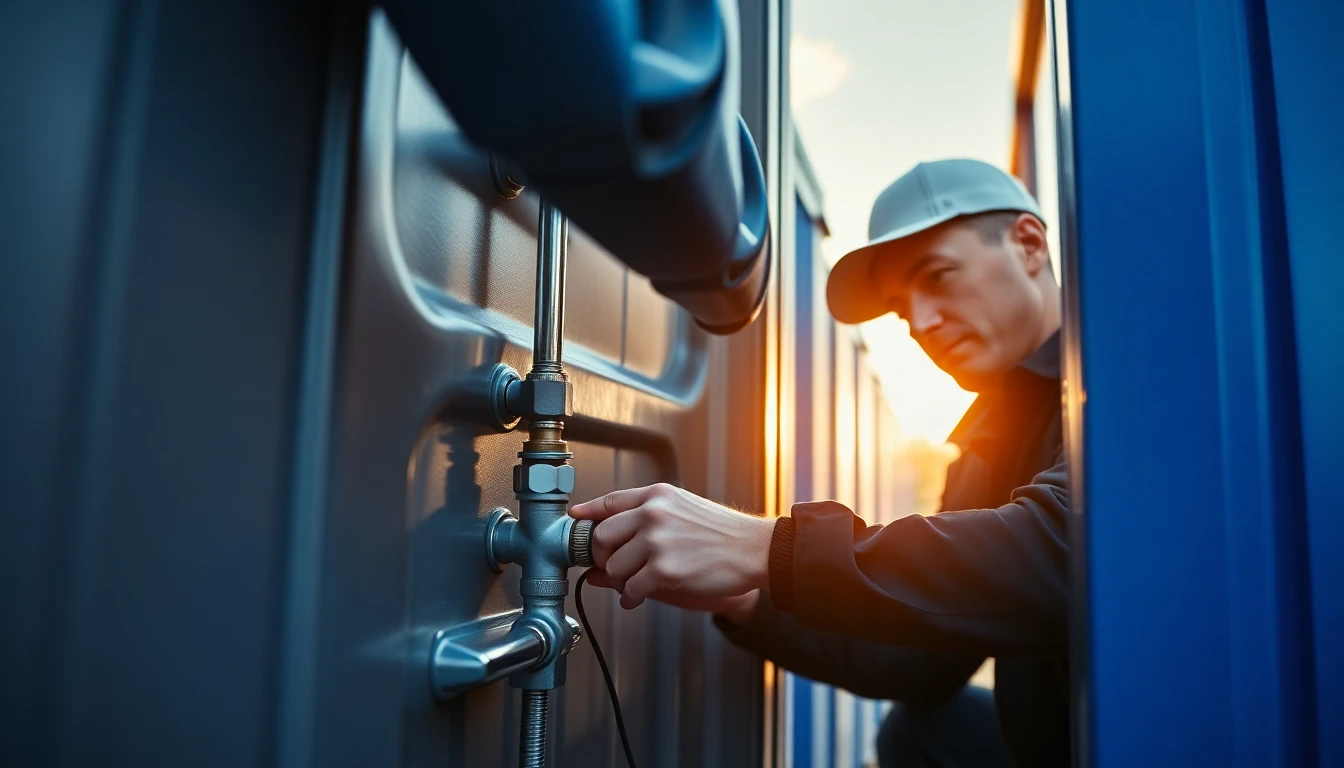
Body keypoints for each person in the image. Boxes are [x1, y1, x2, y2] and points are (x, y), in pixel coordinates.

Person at [570, 158, 1070, 767]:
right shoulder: (982, 448)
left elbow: (1067, 550)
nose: (920, 322)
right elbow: (925, 664)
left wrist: (766, 547)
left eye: (937, 276)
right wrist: (747, 599)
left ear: (1029, 244)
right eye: (899, 307)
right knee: (921, 729)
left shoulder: (1126, 365)